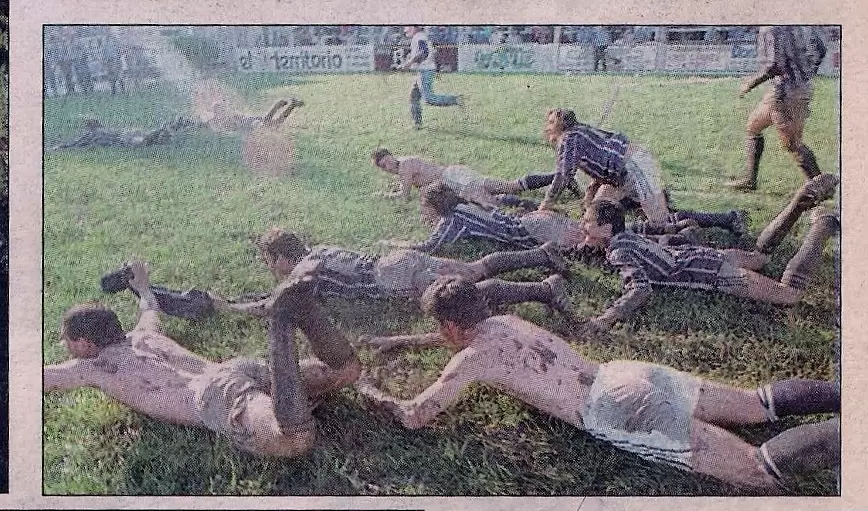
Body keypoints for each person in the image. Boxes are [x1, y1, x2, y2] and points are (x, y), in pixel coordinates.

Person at [356, 275, 840, 491]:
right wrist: (403, 340)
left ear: (450, 326)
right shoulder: (506, 321)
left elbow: (415, 415)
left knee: (755, 470)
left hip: (615, 408)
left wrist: (370, 393)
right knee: (755, 404)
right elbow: (466, 337)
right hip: (625, 371)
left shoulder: (469, 361)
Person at [45, 261, 361, 457]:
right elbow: (149, 304)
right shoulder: (145, 333)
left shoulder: (92, 367)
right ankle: (305, 311)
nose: (65, 346)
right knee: (346, 372)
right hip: (235, 369)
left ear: (85, 344)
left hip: (213, 395)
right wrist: (140, 283)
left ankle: (282, 320)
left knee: (294, 438)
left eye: (67, 341)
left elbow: (38, 379)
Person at [101, 228, 574, 319]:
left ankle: (544, 287)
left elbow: (273, 304)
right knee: (472, 271)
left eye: (268, 261)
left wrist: (229, 307)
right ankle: (543, 258)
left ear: (282, 258)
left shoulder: (304, 271)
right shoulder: (319, 252)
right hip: (394, 264)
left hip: (390, 280)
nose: (269, 269)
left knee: (465, 293)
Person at [579, 173, 838, 330]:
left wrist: (607, 317)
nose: (582, 225)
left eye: (587, 222)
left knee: (790, 295)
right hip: (700, 255)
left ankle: (823, 225)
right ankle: (799, 202)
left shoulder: (619, 253)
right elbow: (653, 227)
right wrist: (676, 225)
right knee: (759, 257)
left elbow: (640, 288)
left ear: (605, 228)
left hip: (711, 272)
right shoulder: (627, 231)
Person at [404, 182, 747, 256]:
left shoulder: (452, 222)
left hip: (535, 230)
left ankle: (673, 239)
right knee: (610, 231)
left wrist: (396, 243)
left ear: (436, 207)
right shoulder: (465, 208)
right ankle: (674, 229)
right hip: (537, 221)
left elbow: (429, 247)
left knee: (598, 242)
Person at [726, 26, 828, 191]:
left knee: (792, 144)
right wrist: (806, 74)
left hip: (785, 92)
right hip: (792, 88)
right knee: (753, 127)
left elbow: (774, 65)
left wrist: (750, 84)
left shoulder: (769, 29)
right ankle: (750, 180)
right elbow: (821, 48)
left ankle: (821, 187)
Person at [539, 108, 670, 227]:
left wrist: (545, 205)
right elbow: (601, 159)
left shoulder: (569, 138)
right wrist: (592, 189)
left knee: (659, 221)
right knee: (595, 214)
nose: (547, 128)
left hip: (633, 164)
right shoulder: (580, 133)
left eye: (551, 122)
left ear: (562, 124)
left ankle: (671, 232)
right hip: (617, 174)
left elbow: (563, 176)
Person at [371, 148, 556, 210]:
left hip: (452, 179)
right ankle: (557, 177)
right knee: (511, 186)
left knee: (491, 204)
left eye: (387, 161)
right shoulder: (404, 164)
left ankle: (541, 206)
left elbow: (405, 196)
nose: (388, 167)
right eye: (384, 166)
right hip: (455, 175)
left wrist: (385, 196)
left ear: (391, 156)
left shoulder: (404, 166)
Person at [398, 25, 460, 129]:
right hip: (424, 70)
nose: (405, 29)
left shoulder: (419, 37)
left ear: (415, 27)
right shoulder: (421, 36)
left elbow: (424, 53)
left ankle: (456, 100)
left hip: (424, 71)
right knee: (414, 97)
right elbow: (431, 53)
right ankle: (417, 124)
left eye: (407, 27)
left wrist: (409, 63)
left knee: (429, 98)